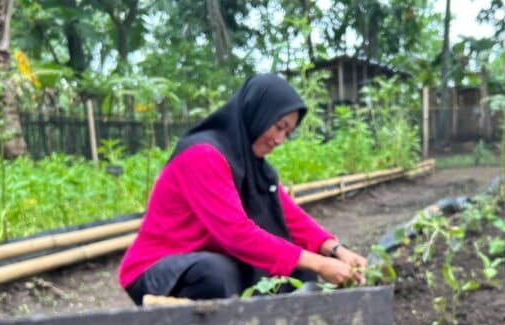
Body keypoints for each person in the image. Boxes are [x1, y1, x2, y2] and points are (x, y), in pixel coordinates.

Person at [118, 73, 367, 305]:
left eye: (288, 132)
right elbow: (236, 234)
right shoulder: (203, 156)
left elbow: (291, 218)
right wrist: (321, 264)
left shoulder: (253, 167)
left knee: (296, 269)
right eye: (278, 126)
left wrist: (337, 251)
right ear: (257, 112)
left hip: (205, 257)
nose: (280, 139)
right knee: (216, 274)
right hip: (157, 269)